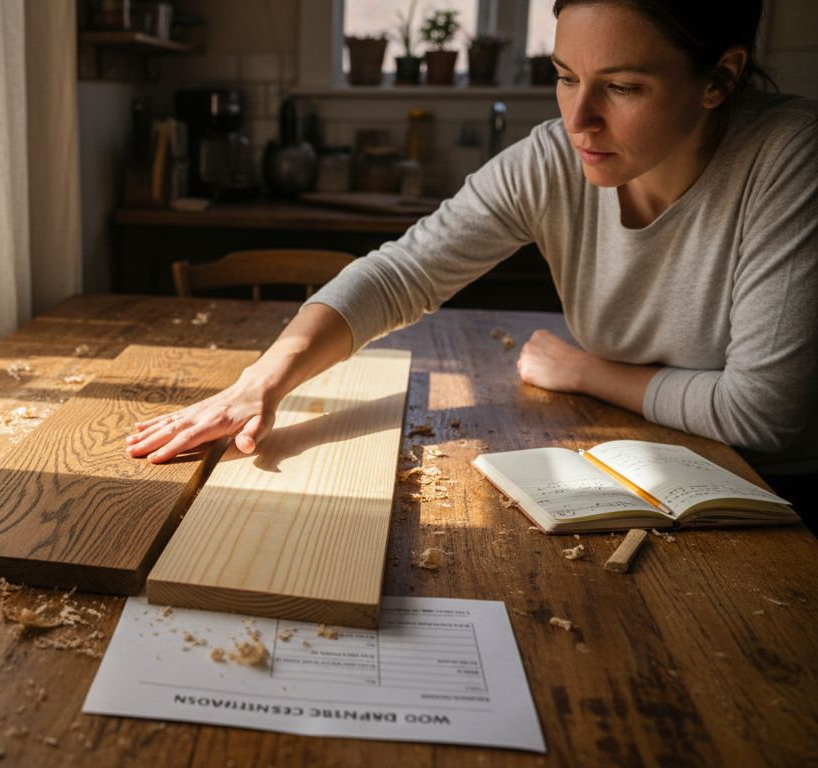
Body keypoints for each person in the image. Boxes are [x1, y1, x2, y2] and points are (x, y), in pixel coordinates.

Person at [126, 0, 817, 509]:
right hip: (649, 461)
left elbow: (761, 416)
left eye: (624, 86)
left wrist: (586, 370)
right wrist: (262, 383)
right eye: (566, 75)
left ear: (719, 80)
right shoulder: (555, 158)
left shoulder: (789, 157)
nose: (578, 120)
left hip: (774, 501)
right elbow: (401, 272)